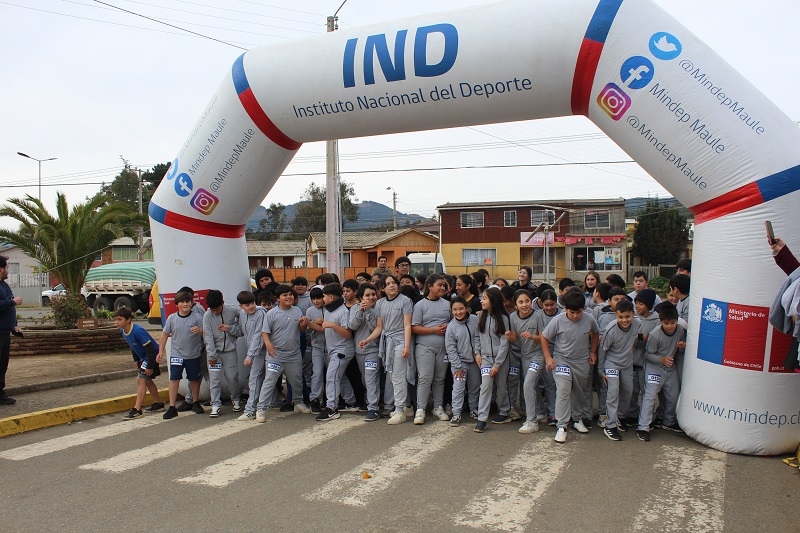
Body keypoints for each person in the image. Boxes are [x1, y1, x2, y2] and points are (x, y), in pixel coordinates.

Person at [541, 290, 600, 443]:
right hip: (562, 360)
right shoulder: (558, 320)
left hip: (581, 360)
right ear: (566, 308)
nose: (575, 316)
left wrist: (593, 351)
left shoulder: (589, 318)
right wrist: (548, 357)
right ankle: (561, 426)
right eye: (572, 312)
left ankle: (577, 418)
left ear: (584, 309)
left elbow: (595, 333)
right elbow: (544, 336)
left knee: (579, 390)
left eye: (578, 312)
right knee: (563, 390)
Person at [360, 274, 414, 425]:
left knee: (398, 376)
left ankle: (399, 409)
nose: (392, 285)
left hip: (400, 340)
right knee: (392, 375)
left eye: (394, 283)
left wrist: (407, 345)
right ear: (382, 288)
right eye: (388, 284)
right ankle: (405, 406)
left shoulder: (405, 301)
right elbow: (379, 327)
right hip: (387, 341)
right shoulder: (380, 303)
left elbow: (407, 325)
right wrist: (367, 339)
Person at [257, 285, 310, 422]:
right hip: (275, 355)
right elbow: (264, 332)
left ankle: (298, 403)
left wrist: (304, 323)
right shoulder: (271, 313)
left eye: (290, 294)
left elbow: (302, 330)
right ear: (277, 298)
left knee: (296, 380)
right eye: (285, 295)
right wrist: (268, 345)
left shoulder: (297, 311)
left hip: (293, 354)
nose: (288, 297)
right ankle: (261, 409)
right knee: (269, 381)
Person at [636, 302, 686, 441]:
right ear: (661, 322)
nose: (670, 326)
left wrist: (682, 347)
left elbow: (680, 349)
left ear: (677, 321)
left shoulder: (680, 330)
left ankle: (667, 421)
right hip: (654, 368)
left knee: (673, 396)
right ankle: (643, 427)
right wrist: (662, 359)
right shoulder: (654, 334)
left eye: (673, 322)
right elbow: (647, 355)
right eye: (666, 323)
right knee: (650, 397)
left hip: (670, 369)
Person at [411, 274, 452, 424]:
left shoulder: (447, 305)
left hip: (443, 348)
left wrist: (448, 327)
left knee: (439, 379)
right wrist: (433, 330)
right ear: (430, 286)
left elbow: (454, 323)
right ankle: (420, 409)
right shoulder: (420, 305)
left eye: (444, 286)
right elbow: (414, 327)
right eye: (439, 285)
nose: (442, 288)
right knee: (424, 378)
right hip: (424, 347)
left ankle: (438, 407)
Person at [159, 291, 205, 419]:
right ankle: (172, 406)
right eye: (182, 302)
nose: (185, 304)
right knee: (174, 379)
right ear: (177, 304)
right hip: (176, 355)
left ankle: (195, 402)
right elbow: (164, 335)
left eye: (187, 301)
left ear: (191, 303)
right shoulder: (172, 318)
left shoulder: (197, 317)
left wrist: (200, 332)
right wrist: (160, 351)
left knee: (194, 379)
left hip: (193, 355)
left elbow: (206, 334)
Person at [598, 299, 638, 441]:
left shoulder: (637, 324)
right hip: (611, 364)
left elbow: (635, 339)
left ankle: (620, 417)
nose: (624, 320)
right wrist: (601, 370)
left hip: (627, 363)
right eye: (620, 317)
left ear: (633, 314)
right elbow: (602, 350)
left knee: (628, 390)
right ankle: (610, 425)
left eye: (627, 316)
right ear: (616, 315)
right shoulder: (611, 330)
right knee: (613, 393)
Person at [316, 283, 356, 421]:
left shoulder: (343, 311)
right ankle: (351, 401)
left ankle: (332, 408)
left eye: (324, 296)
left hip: (342, 350)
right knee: (340, 376)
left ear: (331, 298)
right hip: (333, 350)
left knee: (332, 377)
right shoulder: (329, 310)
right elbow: (325, 328)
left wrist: (332, 325)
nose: (323, 298)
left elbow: (347, 334)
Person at [474, 287, 511, 433]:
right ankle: (482, 418)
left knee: (502, 386)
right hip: (486, 358)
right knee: (486, 385)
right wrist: (477, 353)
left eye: (484, 298)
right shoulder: (480, 316)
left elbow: (505, 342)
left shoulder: (504, 317)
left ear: (493, 300)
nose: (481, 301)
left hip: (501, 359)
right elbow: (477, 336)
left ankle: (504, 411)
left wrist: (498, 364)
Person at [505, 289, 543, 433]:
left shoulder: (538, 316)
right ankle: (541, 412)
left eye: (527, 301)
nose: (524, 305)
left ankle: (532, 421)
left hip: (537, 355)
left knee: (527, 384)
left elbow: (544, 337)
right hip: (523, 355)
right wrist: (511, 336)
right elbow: (516, 338)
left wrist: (533, 336)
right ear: (515, 305)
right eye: (520, 302)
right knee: (531, 385)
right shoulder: (513, 317)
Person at [115, 307, 163, 420]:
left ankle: (137, 410)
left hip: (151, 356)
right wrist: (136, 360)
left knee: (140, 379)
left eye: (120, 319)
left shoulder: (138, 331)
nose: (116, 322)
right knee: (147, 380)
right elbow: (133, 346)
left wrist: (150, 365)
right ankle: (158, 403)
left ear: (128, 320)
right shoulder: (123, 331)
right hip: (143, 357)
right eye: (116, 319)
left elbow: (151, 348)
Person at [202, 290, 242, 418]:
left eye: (217, 309)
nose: (215, 312)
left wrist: (230, 328)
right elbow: (207, 337)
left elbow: (242, 329)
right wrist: (212, 356)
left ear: (223, 303)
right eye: (212, 309)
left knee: (232, 377)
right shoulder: (207, 316)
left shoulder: (233, 310)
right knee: (214, 379)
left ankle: (236, 399)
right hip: (214, 353)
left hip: (230, 351)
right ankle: (215, 404)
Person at [349, 283, 384, 421]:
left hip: (374, 350)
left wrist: (369, 311)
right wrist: (361, 311)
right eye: (367, 295)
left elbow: (376, 327)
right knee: (365, 379)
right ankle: (371, 399)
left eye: (373, 295)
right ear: (361, 297)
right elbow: (352, 325)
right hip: (360, 350)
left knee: (370, 377)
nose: (371, 298)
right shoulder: (354, 309)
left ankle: (373, 407)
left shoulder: (378, 309)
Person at [232, 291, 269, 421]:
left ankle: (250, 410)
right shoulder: (242, 314)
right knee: (260, 379)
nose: (251, 307)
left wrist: (250, 356)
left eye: (252, 303)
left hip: (261, 352)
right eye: (247, 305)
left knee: (255, 379)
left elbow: (258, 336)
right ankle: (258, 407)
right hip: (254, 353)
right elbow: (242, 331)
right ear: (241, 306)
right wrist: (229, 328)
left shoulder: (261, 314)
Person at [445, 296, 481, 426]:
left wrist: (478, 354)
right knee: (458, 388)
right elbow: (450, 348)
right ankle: (456, 413)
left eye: (461, 308)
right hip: (460, 363)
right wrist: (457, 366)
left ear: (466, 308)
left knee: (474, 387)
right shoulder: (451, 327)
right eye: (455, 310)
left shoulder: (475, 320)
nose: (458, 312)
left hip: (475, 361)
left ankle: (473, 409)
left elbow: (479, 338)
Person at [0, 256, 22, 405]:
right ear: (0, 269)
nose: (8, 270)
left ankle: (0, 392)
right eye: (7, 267)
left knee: (3, 364)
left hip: (5, 331)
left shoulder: (4, 285)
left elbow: (9, 304)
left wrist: (14, 324)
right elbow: (7, 303)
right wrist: (12, 302)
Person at [305, 287, 327, 414]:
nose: (316, 301)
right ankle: (315, 399)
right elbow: (307, 331)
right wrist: (313, 322)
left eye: (318, 298)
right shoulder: (310, 311)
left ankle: (335, 398)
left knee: (333, 374)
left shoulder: (330, 308)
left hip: (331, 346)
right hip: (317, 346)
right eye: (313, 299)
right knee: (317, 373)